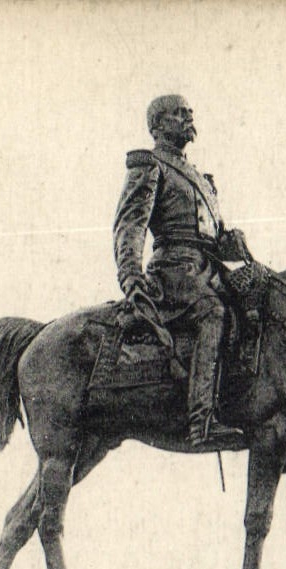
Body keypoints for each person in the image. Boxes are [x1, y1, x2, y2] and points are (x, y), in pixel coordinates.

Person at [113, 94, 250, 447]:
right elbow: (131, 224)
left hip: (207, 268)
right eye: (178, 113)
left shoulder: (201, 179)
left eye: (190, 112)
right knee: (213, 312)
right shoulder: (149, 165)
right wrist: (130, 275)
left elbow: (209, 236)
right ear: (157, 126)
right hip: (175, 272)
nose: (188, 117)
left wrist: (230, 242)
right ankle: (200, 422)